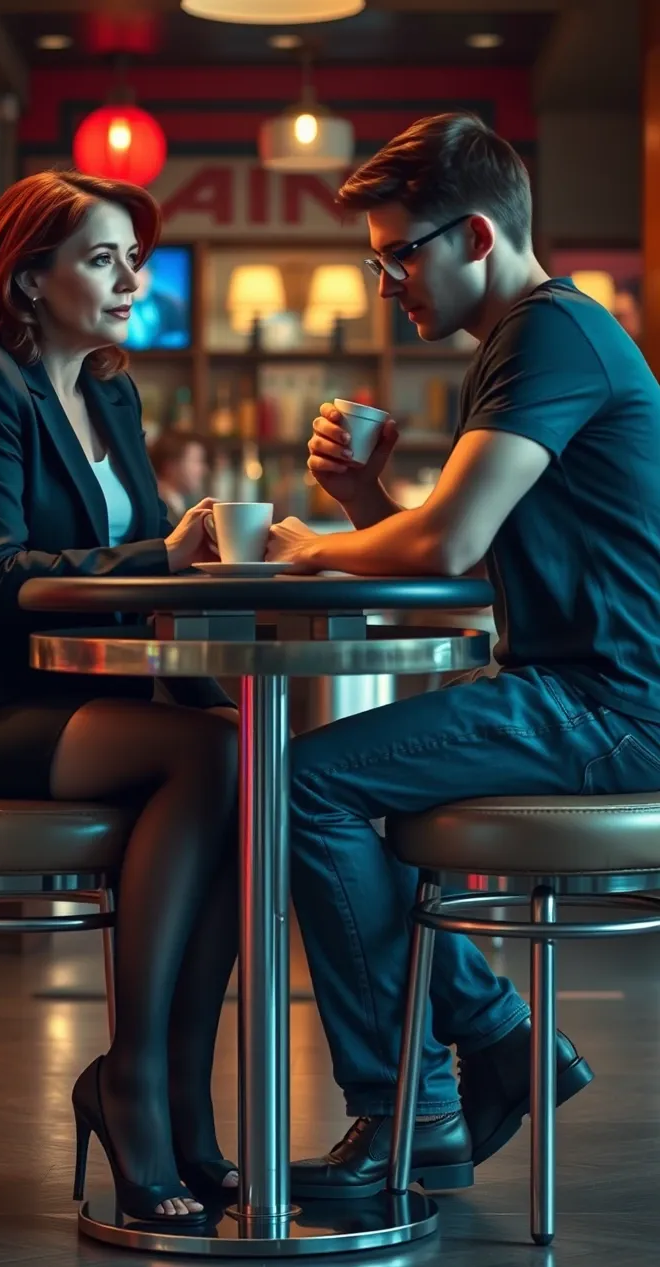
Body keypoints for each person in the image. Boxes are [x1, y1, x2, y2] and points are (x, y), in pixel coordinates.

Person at [266, 111, 660, 1198]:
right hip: (582, 693)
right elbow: (462, 556)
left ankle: (419, 1108)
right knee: (334, 786)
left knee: (305, 788)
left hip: (613, 707)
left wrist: (316, 544)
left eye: (398, 252)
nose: (385, 280)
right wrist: (362, 502)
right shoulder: (532, 338)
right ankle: (492, 1045)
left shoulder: (549, 337)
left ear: (475, 237)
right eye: (376, 257)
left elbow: (448, 541)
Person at [0, 170, 240, 1223]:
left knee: (239, 758)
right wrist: (161, 556)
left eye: (134, 255)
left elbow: (136, 565)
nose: (133, 275)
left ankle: (179, 1098)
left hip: (72, 699)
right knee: (214, 756)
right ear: (30, 278)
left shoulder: (113, 389)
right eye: (103, 257)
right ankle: (135, 1084)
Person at [150, 429, 208, 526]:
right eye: (196, 461)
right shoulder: (156, 510)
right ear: (170, 466)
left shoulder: (181, 504)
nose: (203, 469)